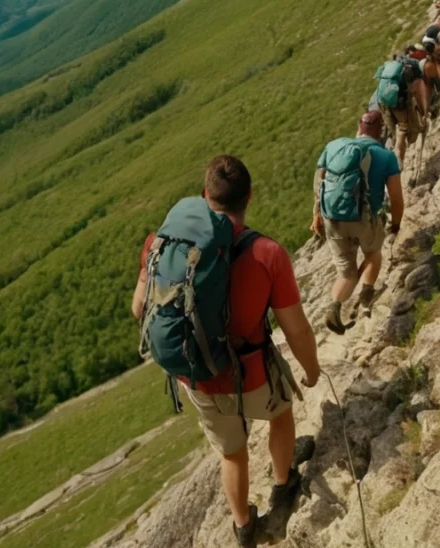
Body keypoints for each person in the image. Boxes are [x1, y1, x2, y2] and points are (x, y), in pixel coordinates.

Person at [133, 156, 320, 548]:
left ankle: (243, 528)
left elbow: (139, 309)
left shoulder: (160, 243)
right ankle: (283, 486)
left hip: (197, 374)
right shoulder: (267, 254)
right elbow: (296, 328)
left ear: (205, 195)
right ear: (248, 197)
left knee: (232, 453)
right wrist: (311, 368)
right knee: (282, 415)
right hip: (250, 372)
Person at [312, 112, 404, 335]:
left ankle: (335, 307)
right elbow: (396, 197)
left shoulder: (334, 148)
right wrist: (396, 224)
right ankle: (366, 293)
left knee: (346, 273)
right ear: (381, 130)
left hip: (332, 218)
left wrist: (316, 215)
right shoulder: (386, 156)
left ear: (359, 128)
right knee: (373, 254)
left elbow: (318, 183)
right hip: (364, 219)